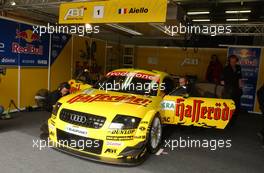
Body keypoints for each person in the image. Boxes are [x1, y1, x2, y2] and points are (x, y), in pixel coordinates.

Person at [221, 55, 243, 126]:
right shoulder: (225, 69)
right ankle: (227, 120)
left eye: (234, 61)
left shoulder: (238, 67)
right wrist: (225, 89)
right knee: (228, 105)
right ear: (229, 61)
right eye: (231, 61)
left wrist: (240, 88)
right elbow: (222, 81)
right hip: (228, 90)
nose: (233, 63)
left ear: (236, 61)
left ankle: (233, 120)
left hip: (236, 89)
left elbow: (240, 78)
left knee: (236, 105)